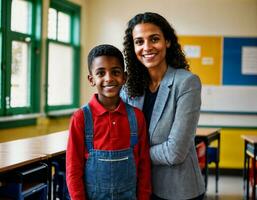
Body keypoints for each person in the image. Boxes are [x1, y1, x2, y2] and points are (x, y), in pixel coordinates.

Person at [120, 12, 205, 200]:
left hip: (177, 190)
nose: (147, 47)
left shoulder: (187, 83)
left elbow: (175, 152)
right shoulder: (128, 88)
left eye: (154, 39)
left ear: (167, 41)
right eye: (139, 41)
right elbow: (121, 136)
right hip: (138, 188)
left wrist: (134, 154)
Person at [66, 44, 151, 200]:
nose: (109, 78)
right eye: (101, 73)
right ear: (91, 79)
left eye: (115, 72)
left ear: (124, 77)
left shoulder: (137, 117)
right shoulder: (81, 118)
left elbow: (144, 166)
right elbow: (73, 169)